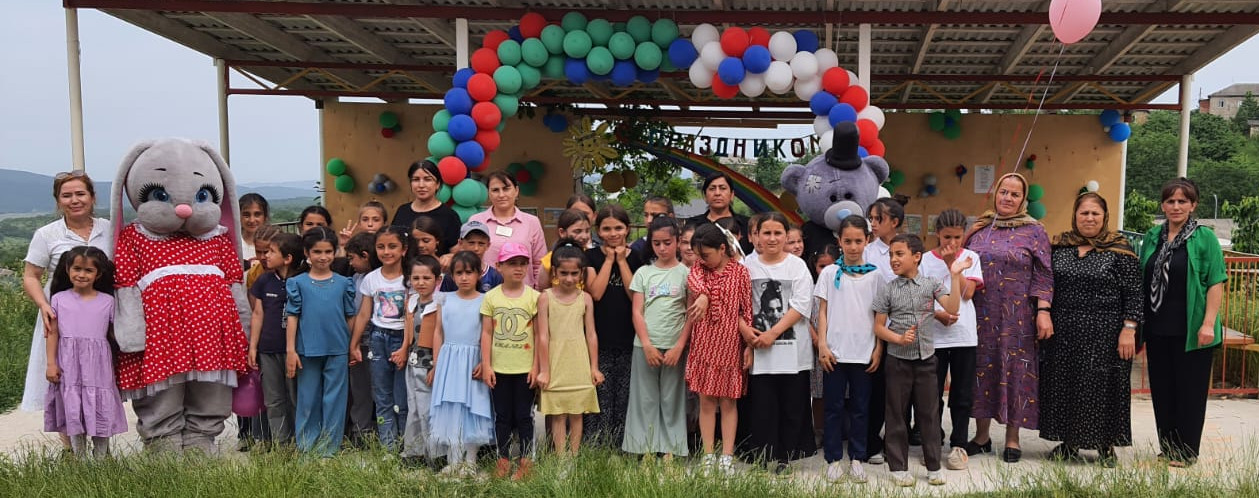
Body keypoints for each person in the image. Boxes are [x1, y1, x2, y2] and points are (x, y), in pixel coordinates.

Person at [1039, 193, 1142, 467]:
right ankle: (1070, 442)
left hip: (1106, 333)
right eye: (1084, 213)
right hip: (1065, 331)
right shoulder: (1061, 246)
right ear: (1075, 215)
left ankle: (1105, 446)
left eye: (1095, 213)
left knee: (1102, 386)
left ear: (1105, 217)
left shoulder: (1120, 250)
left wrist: (1129, 329)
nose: (1089, 218)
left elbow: (1134, 293)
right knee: (1068, 384)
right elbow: (1046, 283)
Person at [964, 172, 1053, 463]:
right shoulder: (979, 228)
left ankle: (1012, 438)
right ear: (995, 193)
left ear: (1023, 199)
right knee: (981, 370)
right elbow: (961, 264)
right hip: (979, 313)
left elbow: (1043, 274)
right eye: (1003, 192)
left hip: (1018, 318)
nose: (1007, 198)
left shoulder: (1035, 231)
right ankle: (981, 436)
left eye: (1015, 194)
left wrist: (1043, 311)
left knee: (1016, 372)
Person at [1139, 178, 1225, 468]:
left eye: (1182, 201)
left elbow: (1216, 281)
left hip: (1192, 328)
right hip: (1157, 327)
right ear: (1162, 205)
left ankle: (1187, 451)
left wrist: (1208, 323)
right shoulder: (1153, 236)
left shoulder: (1205, 238)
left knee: (1189, 390)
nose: (1176, 206)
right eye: (1170, 201)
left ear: (1193, 205)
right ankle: (1168, 446)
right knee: (1163, 389)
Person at [872, 234, 971, 487]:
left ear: (916, 257)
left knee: (929, 414)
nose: (894, 259)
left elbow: (951, 308)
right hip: (897, 361)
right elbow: (879, 327)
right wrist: (898, 338)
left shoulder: (931, 284)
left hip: (927, 360)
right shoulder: (888, 288)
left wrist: (956, 274)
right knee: (896, 414)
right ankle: (898, 467)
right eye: (892, 254)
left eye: (899, 254)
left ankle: (934, 466)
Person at [21, 171, 113, 422]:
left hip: (100, 314)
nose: (75, 200)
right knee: (65, 376)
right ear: (58, 201)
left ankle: (101, 435)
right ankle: (70, 446)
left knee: (99, 376)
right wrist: (43, 305)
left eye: (80, 194)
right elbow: (31, 275)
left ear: (92, 198)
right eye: (67, 195)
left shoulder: (109, 228)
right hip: (61, 316)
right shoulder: (47, 234)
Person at [740, 213, 815, 474]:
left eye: (778, 233)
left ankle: (786, 456)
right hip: (758, 350)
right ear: (756, 235)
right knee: (762, 405)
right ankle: (762, 453)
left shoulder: (797, 266)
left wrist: (773, 333)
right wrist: (747, 334)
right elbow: (737, 305)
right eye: (767, 233)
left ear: (786, 236)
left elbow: (802, 305)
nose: (772, 239)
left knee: (792, 404)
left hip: (792, 350)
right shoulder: (746, 266)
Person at [814, 216, 884, 483]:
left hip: (864, 353)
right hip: (835, 352)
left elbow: (881, 315)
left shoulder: (876, 275)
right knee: (832, 407)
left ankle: (857, 457)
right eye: (847, 241)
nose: (853, 246)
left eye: (858, 240)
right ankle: (833, 458)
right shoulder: (831, 273)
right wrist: (822, 344)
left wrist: (878, 348)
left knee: (860, 408)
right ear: (839, 242)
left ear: (867, 240)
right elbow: (823, 311)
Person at [43, 246, 126, 458]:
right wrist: (51, 363)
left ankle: (100, 460)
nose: (81, 274)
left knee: (100, 404)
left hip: (98, 365)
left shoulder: (108, 301)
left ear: (98, 274)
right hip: (68, 364)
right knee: (73, 406)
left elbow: (117, 333)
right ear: (67, 269)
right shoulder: (58, 299)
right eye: (77, 268)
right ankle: (79, 459)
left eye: (88, 270)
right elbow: (52, 333)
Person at [685, 223, 753, 475]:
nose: (702, 260)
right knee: (705, 402)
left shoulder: (740, 273)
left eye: (706, 254)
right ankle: (707, 454)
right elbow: (692, 280)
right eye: (699, 255)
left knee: (728, 403)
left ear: (722, 248)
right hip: (704, 345)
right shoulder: (699, 269)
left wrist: (749, 346)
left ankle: (727, 455)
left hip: (730, 345)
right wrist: (703, 294)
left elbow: (747, 309)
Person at [285, 227, 358, 457]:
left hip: (338, 348)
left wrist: (351, 346)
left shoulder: (344, 283)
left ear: (335, 252)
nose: (323, 257)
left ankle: (329, 449)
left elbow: (350, 317)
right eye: (317, 251)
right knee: (307, 399)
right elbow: (293, 317)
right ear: (307, 252)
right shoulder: (297, 283)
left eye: (328, 251)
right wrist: (291, 350)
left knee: (335, 401)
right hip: (307, 349)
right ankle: (307, 448)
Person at [921, 209, 983, 469]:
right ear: (937, 233)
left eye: (958, 237)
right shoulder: (924, 260)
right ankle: (933, 441)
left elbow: (968, 293)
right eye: (947, 237)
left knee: (962, 393)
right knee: (931, 393)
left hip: (964, 336)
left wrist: (952, 267)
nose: (952, 243)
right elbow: (921, 297)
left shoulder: (971, 257)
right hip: (934, 336)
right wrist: (938, 315)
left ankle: (959, 444)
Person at [624, 217, 691, 458]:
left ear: (678, 242)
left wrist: (679, 346)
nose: (662, 248)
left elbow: (690, 315)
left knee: (673, 399)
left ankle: (671, 450)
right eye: (656, 243)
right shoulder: (644, 273)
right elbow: (636, 312)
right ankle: (645, 448)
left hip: (674, 347)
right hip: (645, 346)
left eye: (667, 242)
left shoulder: (686, 274)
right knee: (645, 399)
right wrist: (647, 344)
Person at [350, 226, 417, 450]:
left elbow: (410, 316)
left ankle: (405, 445)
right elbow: (363, 314)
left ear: (404, 250)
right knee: (381, 395)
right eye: (381, 247)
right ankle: (388, 446)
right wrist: (355, 343)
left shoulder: (410, 279)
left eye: (392, 246)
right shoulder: (371, 279)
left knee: (402, 396)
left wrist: (406, 346)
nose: (386, 251)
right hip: (378, 339)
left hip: (402, 339)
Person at [583, 205, 645, 446]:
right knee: (601, 390)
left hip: (628, 336)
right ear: (598, 230)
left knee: (625, 393)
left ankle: (621, 441)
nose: (613, 233)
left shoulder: (637, 258)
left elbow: (634, 295)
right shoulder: (591, 257)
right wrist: (609, 260)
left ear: (628, 229)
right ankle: (598, 441)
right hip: (599, 334)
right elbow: (596, 293)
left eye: (618, 228)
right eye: (606, 229)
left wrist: (622, 262)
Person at [430, 251, 495, 476]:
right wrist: (437, 363)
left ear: (478, 274)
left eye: (469, 272)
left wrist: (485, 362)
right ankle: (453, 459)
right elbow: (438, 332)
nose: (464, 277)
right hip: (449, 360)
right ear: (452, 275)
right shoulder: (444, 298)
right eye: (459, 273)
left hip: (473, 361)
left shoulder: (486, 299)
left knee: (472, 407)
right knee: (451, 407)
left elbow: (489, 334)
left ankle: (471, 460)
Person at [481, 242, 542, 479]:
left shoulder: (535, 297)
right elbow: (486, 333)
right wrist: (486, 365)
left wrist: (536, 366)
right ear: (499, 266)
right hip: (500, 368)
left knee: (524, 416)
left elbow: (539, 335)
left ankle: (527, 460)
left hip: (525, 368)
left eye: (522, 263)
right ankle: (503, 459)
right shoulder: (491, 297)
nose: (518, 269)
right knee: (503, 416)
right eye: (512, 264)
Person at [537, 240, 603, 456]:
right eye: (563, 273)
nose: (569, 278)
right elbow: (543, 336)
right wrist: (544, 369)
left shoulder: (585, 298)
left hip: (578, 362)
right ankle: (560, 458)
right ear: (554, 271)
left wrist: (594, 367)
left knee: (576, 413)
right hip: (555, 362)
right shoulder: (545, 298)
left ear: (582, 273)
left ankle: (574, 458)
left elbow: (591, 334)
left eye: (574, 273)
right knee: (558, 414)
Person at [248, 232, 304, 446]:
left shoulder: (302, 281)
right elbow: (258, 314)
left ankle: (300, 441)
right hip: (268, 349)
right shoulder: (264, 280)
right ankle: (281, 443)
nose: (266, 256)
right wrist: (253, 347)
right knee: (273, 399)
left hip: (295, 351)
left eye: (272, 252)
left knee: (295, 397)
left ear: (288, 258)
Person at [862, 197, 904, 465]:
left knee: (899, 392)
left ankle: (897, 441)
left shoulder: (908, 249)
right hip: (875, 330)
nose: (873, 224)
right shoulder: (867, 251)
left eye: (879, 219)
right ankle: (871, 442)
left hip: (903, 332)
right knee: (875, 391)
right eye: (872, 219)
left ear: (895, 222)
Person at [469, 171, 547, 287]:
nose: (501, 195)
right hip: (485, 293)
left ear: (516, 191)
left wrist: (537, 293)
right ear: (488, 194)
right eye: (495, 190)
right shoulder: (477, 221)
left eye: (506, 189)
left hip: (523, 295)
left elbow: (539, 263)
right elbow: (468, 259)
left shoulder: (532, 222)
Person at [401, 255, 442, 464]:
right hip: (412, 361)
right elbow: (408, 331)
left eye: (427, 278)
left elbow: (441, 335)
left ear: (437, 279)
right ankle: (413, 451)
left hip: (429, 364)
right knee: (414, 408)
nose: (421, 282)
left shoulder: (440, 303)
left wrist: (436, 365)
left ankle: (435, 454)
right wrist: (402, 350)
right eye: (416, 278)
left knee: (428, 409)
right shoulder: (412, 301)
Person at [341, 231, 377, 446]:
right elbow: (353, 313)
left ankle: (383, 430)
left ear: (364, 255)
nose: (350, 263)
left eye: (352, 258)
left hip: (377, 341)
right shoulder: (354, 279)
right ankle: (360, 432)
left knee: (379, 390)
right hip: (358, 343)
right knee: (360, 389)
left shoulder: (381, 278)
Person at [392, 159, 462, 253]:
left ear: (437, 184)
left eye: (427, 179)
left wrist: (450, 257)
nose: (421, 185)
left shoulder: (449, 216)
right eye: (416, 180)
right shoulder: (402, 211)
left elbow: (456, 253)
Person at [685, 173, 752, 255]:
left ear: (732, 195)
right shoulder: (693, 224)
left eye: (722, 188)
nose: (717, 193)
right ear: (705, 196)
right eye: (712, 189)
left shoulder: (747, 224)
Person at [439, 221, 503, 293]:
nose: (476, 248)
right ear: (460, 243)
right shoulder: (451, 274)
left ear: (488, 245)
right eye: (471, 243)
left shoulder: (494, 276)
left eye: (481, 243)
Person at [540, 209, 593, 290]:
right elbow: (542, 289)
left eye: (587, 231)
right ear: (562, 232)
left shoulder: (591, 256)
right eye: (577, 231)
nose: (584, 236)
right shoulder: (549, 259)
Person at [239, 193, 269, 263]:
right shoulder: (234, 244)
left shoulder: (274, 244)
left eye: (257, 214)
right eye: (246, 215)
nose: (252, 220)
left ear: (265, 216)